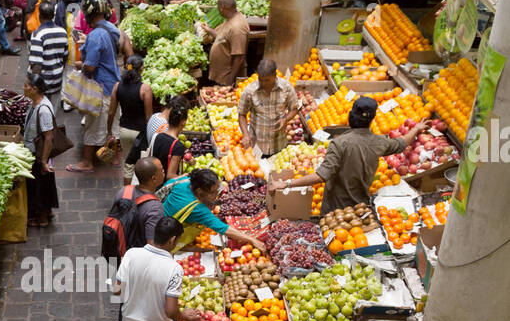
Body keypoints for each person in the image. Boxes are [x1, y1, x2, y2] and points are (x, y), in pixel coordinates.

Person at [277, 97, 429, 216]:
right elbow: (402, 143)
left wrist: (287, 184)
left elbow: (321, 176)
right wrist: (416, 129)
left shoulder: (339, 144)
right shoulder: (379, 142)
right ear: (371, 120)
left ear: (350, 117)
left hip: (334, 210)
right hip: (360, 208)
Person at [67, 0, 120, 174]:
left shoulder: (95, 35)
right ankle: (114, 157)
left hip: (101, 86)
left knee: (92, 123)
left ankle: (87, 162)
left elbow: (90, 66)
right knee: (112, 124)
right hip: (114, 84)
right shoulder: (111, 28)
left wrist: (80, 65)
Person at [163, 167, 263, 251]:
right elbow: (222, 228)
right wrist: (252, 240)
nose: (217, 194)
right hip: (166, 236)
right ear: (200, 191)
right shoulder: (197, 208)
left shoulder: (185, 182)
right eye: (213, 192)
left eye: (218, 189)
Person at [237, 57, 301, 157]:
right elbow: (242, 114)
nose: (263, 83)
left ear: (275, 75)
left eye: (267, 80)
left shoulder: (286, 88)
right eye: (260, 80)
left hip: (279, 145)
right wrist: (245, 134)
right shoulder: (250, 91)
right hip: (256, 147)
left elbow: (294, 109)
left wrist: (285, 119)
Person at [106, 53, 153, 182]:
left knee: (128, 164)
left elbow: (111, 112)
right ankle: (140, 195)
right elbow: (149, 116)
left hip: (124, 131)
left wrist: (109, 131)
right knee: (142, 165)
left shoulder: (117, 86)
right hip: (141, 132)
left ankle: (126, 195)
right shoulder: (145, 89)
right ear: (141, 69)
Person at [22, 69, 60, 228]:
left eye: (26, 85)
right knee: (45, 184)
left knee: (39, 186)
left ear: (34, 89)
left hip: (38, 154)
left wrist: (44, 161)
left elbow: (49, 137)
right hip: (36, 152)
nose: (23, 88)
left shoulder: (43, 109)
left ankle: (42, 219)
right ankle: (48, 212)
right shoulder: (36, 103)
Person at [198, 0, 250, 87]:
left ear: (221, 7)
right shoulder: (230, 18)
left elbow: (239, 57)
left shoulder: (237, 27)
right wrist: (209, 30)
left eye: (217, 6)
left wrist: (230, 79)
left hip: (227, 79)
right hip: (222, 76)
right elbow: (224, 37)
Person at [29, 1, 69, 103]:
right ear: (53, 15)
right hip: (57, 81)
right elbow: (65, 58)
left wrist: (34, 86)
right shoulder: (63, 32)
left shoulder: (37, 35)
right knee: (51, 113)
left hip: (43, 85)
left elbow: (36, 65)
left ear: (39, 16)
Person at [149, 98, 188, 181]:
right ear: (183, 122)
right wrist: (187, 176)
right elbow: (170, 176)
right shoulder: (178, 146)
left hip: (155, 182)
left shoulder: (157, 135)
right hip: (165, 188)